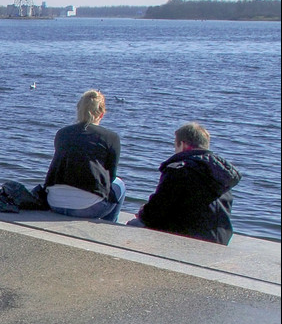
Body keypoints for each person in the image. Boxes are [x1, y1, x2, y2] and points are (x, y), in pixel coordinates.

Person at [135, 122, 240, 245]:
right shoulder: (222, 173)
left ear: (183, 145)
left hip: (189, 237)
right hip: (220, 238)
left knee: (135, 225)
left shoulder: (180, 169)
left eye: (175, 145)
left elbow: (156, 210)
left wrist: (143, 212)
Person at [42, 89, 124, 223]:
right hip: (89, 208)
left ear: (78, 110)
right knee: (120, 185)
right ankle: (109, 225)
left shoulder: (62, 133)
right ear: (102, 114)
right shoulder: (111, 137)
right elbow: (111, 176)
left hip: (54, 202)